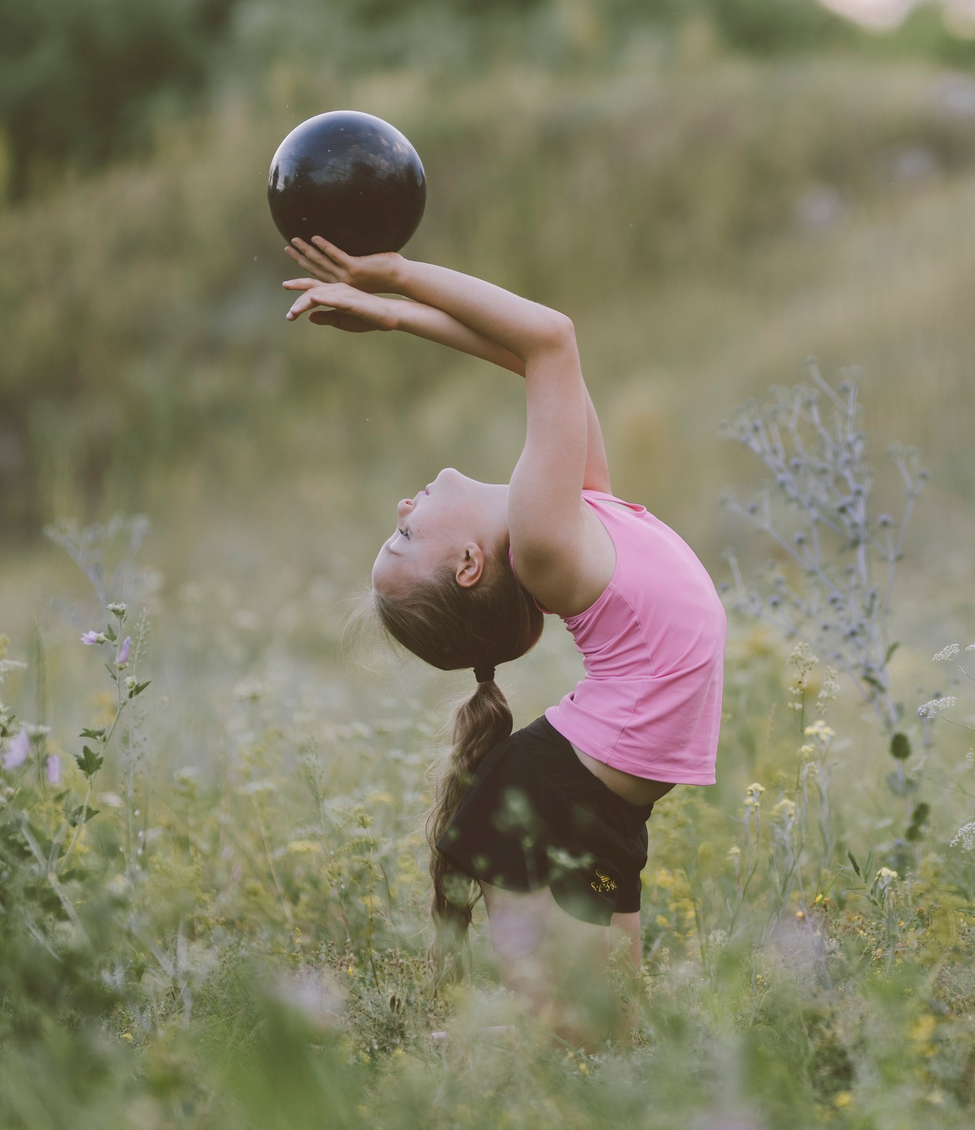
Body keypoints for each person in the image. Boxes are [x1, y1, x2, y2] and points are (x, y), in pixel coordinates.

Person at [280, 235, 726, 1035]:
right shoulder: (547, 541)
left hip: (592, 803)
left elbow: (542, 366)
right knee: (569, 1033)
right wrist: (398, 274)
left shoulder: (579, 513)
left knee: (608, 1034)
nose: (399, 512)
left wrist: (393, 316)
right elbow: (550, 337)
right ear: (469, 564)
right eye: (405, 541)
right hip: (557, 798)